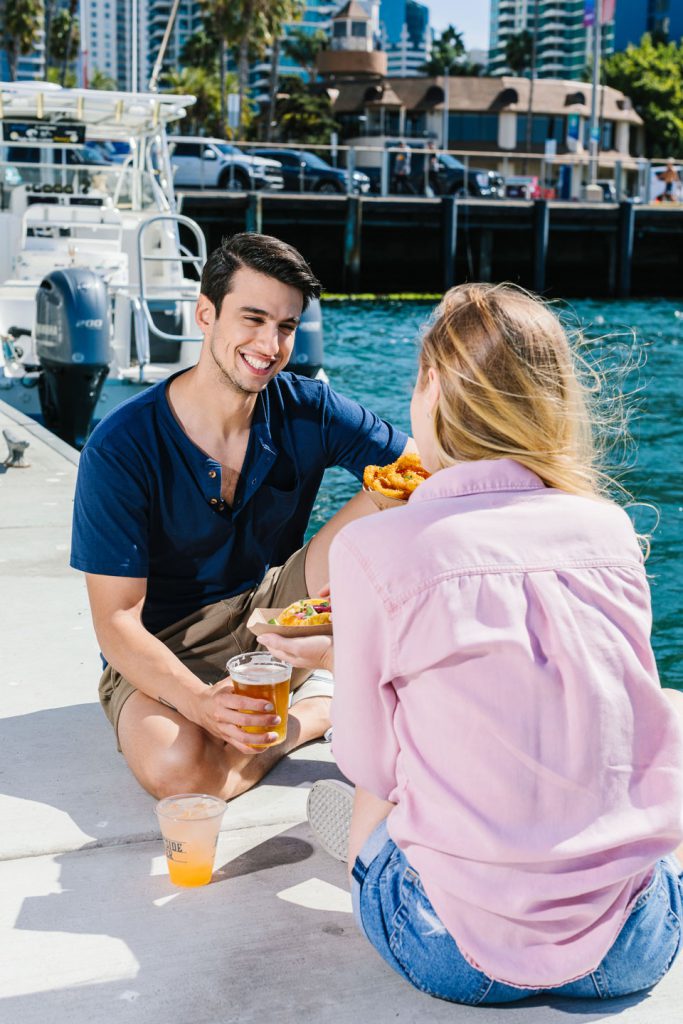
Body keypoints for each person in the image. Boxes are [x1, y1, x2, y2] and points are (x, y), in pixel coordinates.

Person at [262, 283, 683, 1004]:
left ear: (432, 385)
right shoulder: (610, 529)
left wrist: (335, 660)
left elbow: (372, 761)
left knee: (373, 784)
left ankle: (379, 854)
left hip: (454, 951)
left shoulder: (371, 547)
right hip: (634, 945)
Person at [70, 233, 410, 803]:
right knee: (180, 773)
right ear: (206, 313)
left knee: (398, 491)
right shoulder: (120, 447)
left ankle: (299, 686)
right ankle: (314, 713)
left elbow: (427, 471)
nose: (270, 343)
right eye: (252, 319)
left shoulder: (310, 406)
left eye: (286, 325)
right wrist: (199, 702)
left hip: (277, 616)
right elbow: (117, 623)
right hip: (162, 647)